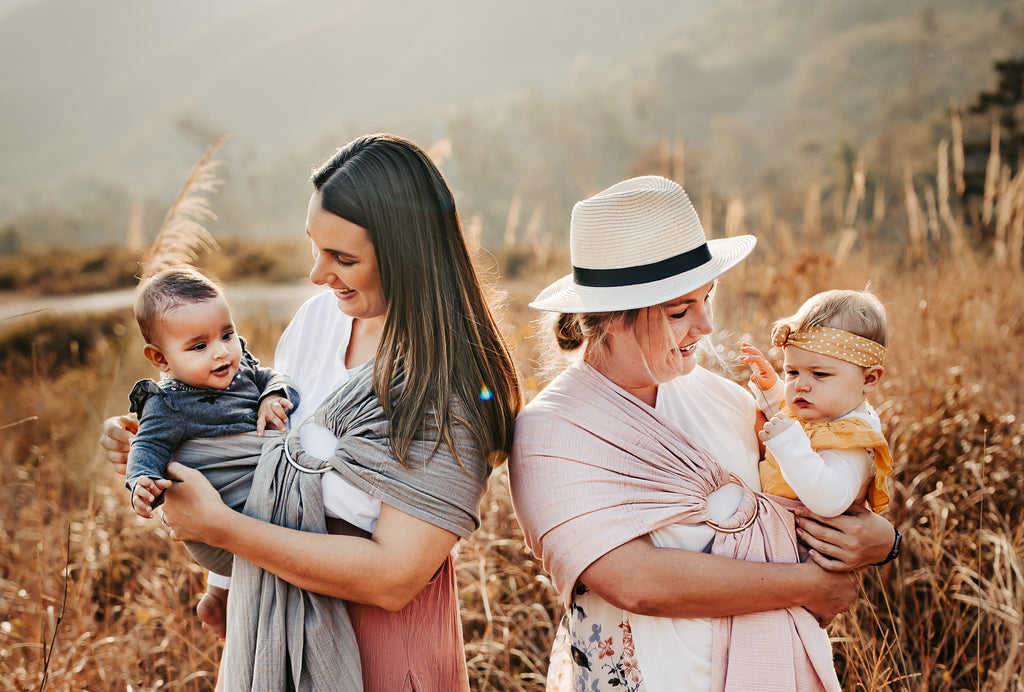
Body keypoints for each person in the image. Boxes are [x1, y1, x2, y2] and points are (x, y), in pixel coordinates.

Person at [100, 133, 522, 691]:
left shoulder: (451, 385)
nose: (317, 274)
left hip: (381, 648)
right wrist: (159, 441)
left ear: (405, 253)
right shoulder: (318, 320)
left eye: (343, 258)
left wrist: (224, 529)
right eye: (316, 248)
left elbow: (394, 577)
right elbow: (266, 459)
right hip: (271, 622)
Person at [508, 176, 900, 691]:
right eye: (679, 311)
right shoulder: (551, 430)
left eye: (706, 299)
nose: (706, 325)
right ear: (610, 320)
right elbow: (635, 581)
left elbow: (812, 492)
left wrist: (881, 540)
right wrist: (810, 585)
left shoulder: (722, 397)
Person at [124, 265, 300, 627]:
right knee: (288, 561)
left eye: (227, 334)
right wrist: (141, 481)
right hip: (217, 535)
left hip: (249, 505)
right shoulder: (169, 403)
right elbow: (147, 446)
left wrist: (272, 396)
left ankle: (219, 599)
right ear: (160, 359)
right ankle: (224, 595)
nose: (221, 353)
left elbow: (274, 376)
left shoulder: (242, 369)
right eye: (200, 346)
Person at [739, 289, 893, 518]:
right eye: (792, 372)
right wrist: (772, 389)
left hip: (805, 544)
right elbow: (785, 419)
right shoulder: (824, 410)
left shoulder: (853, 441)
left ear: (868, 379)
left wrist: (788, 443)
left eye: (819, 374)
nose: (801, 385)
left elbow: (831, 500)